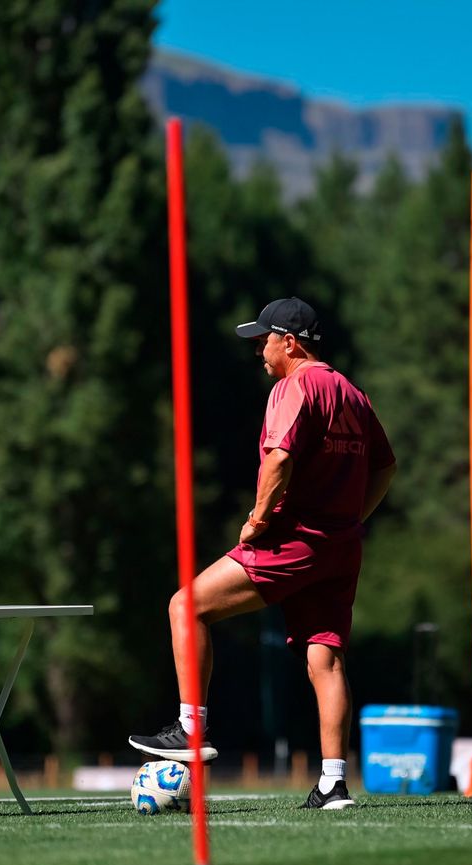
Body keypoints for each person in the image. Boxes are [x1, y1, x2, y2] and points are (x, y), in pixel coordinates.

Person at [129, 297, 396, 809]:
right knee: (327, 657)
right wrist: (354, 517)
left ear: (289, 343)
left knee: (187, 606)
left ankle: (190, 729)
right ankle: (334, 783)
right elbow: (385, 466)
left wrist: (257, 518)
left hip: (292, 537)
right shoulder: (352, 393)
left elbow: (279, 457)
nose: (259, 350)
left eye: (264, 340)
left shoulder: (293, 386)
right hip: (339, 545)